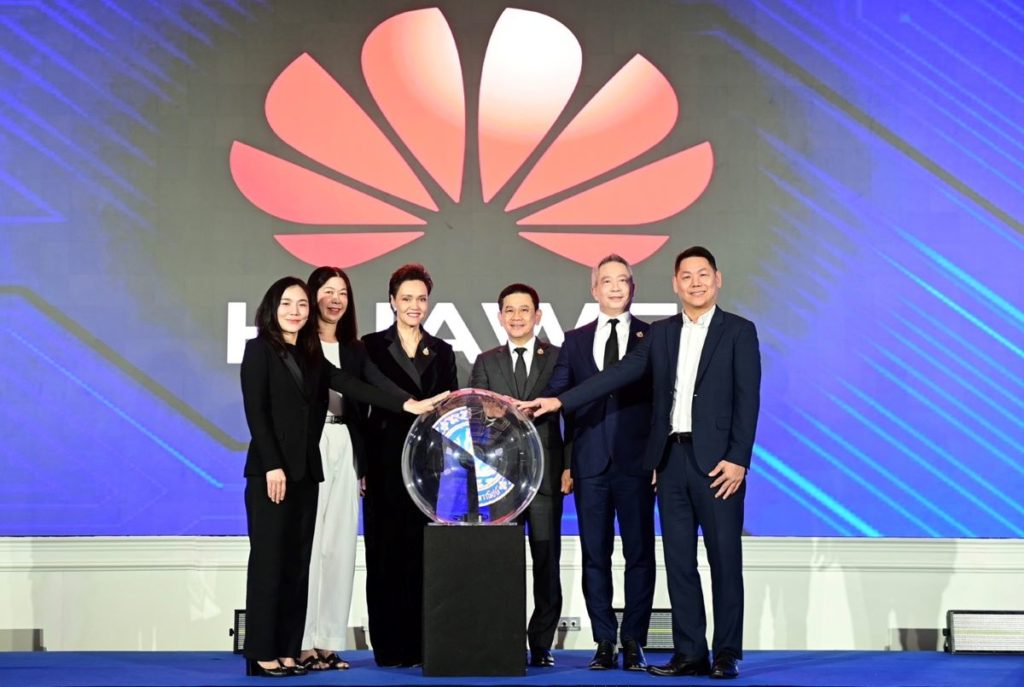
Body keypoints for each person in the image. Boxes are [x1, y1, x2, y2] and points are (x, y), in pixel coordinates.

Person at [523, 246, 761, 680]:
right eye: (686, 276)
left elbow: (748, 399)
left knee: (725, 560)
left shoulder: (739, 331)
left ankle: (726, 653)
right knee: (679, 563)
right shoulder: (661, 334)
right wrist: (559, 401)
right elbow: (617, 374)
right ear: (675, 284)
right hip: (669, 461)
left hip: (718, 466)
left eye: (703, 274)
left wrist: (738, 458)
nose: (695, 283)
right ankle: (690, 652)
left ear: (717, 279)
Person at [240, 276, 445, 677]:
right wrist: (272, 465)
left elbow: (352, 385)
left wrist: (408, 405)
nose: (296, 311)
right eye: (288, 304)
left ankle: (288, 650)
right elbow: (256, 412)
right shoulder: (259, 349)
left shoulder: (311, 354)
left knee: (298, 563)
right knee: (270, 561)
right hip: (273, 471)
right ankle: (262, 652)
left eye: (301, 305)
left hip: (308, 470)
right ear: (272, 308)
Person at [542, 255, 656, 672]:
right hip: (589, 463)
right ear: (594, 289)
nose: (615, 287)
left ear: (632, 288)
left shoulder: (653, 336)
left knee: (640, 554)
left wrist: (658, 456)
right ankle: (604, 641)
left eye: (622, 280)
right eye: (607, 281)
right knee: (595, 555)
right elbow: (558, 399)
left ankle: (634, 641)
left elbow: (663, 400)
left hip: (637, 462)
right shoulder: (574, 341)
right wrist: (567, 461)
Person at [298, 266, 400, 671]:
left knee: (339, 546)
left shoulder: (355, 349)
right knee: (310, 544)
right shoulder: (298, 343)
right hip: (310, 444)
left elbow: (375, 390)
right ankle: (302, 642)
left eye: (342, 292)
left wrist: (413, 404)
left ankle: (327, 641)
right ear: (313, 296)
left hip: (347, 445)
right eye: (328, 291)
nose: (335, 299)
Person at [361, 263, 460, 667]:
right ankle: (389, 647)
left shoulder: (443, 351)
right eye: (406, 298)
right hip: (383, 461)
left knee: (421, 553)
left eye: (421, 298)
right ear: (392, 301)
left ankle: (421, 644)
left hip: (428, 466)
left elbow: (451, 412)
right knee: (384, 552)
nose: (414, 305)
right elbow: (359, 407)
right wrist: (361, 464)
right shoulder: (369, 346)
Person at [469, 283, 571, 668]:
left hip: (546, 477)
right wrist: (488, 416)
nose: (516, 317)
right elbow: (472, 423)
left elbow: (572, 415)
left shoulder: (558, 358)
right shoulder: (486, 361)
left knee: (546, 560)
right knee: (503, 562)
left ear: (537, 315)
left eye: (524, 310)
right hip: (500, 479)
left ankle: (541, 644)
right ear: (499, 317)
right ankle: (504, 639)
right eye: (509, 310)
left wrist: (569, 466)